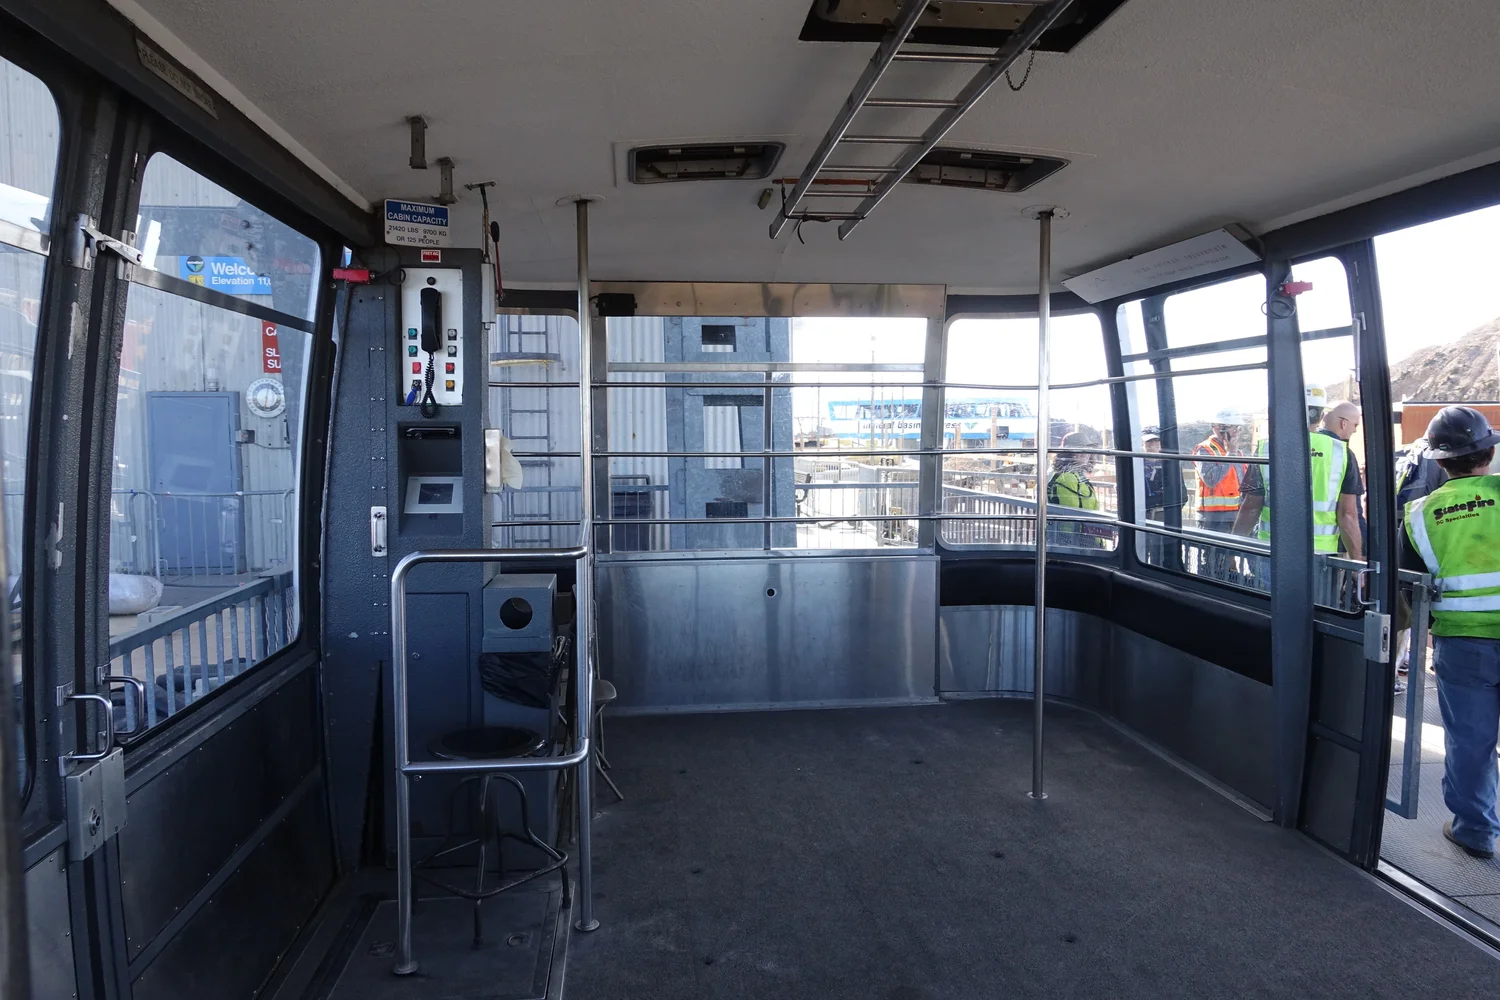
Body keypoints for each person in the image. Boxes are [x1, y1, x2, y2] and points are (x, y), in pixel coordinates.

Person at [1399, 406, 1500, 859]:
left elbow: (1410, 584)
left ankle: (1475, 831)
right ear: (1489, 454)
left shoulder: (1419, 514)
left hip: (1462, 643)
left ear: (1439, 461)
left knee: (1470, 740)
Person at [1233, 386, 1363, 563]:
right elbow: (1347, 514)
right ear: (1321, 416)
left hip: (1273, 552)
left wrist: (1232, 551)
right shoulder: (1342, 452)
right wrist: (1356, 561)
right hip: (1320, 557)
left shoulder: (1267, 448)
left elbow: (1251, 506)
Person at [1193, 410, 1249, 534]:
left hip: (1236, 515)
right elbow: (1211, 480)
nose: (1236, 432)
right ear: (1218, 428)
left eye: (1237, 428)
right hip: (1212, 518)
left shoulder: (1237, 452)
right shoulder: (1204, 449)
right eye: (1232, 427)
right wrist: (1230, 454)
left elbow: (1244, 482)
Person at [1047, 431, 1102, 548]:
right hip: (1076, 542)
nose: (1085, 454)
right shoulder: (1068, 478)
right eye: (1080, 449)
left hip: (1073, 539)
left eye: (1087, 450)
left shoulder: (1075, 476)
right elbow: (1076, 513)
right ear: (1069, 453)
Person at [1142, 432, 1165, 520]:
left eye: (1156, 440)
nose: (1153, 443)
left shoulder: (1167, 462)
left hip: (1163, 506)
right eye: (1149, 441)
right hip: (1143, 506)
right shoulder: (1136, 462)